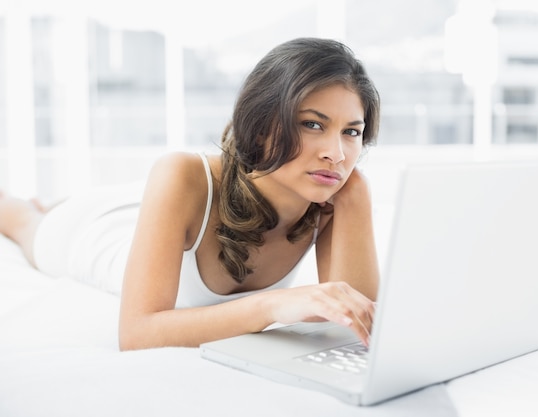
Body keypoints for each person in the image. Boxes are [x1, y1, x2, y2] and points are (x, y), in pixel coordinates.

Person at [0, 37, 381, 351]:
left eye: (352, 132)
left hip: (164, 210)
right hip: (96, 232)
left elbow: (359, 329)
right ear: (262, 124)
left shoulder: (341, 190)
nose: (336, 153)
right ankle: (45, 207)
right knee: (25, 221)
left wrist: (353, 199)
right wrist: (274, 306)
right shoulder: (181, 171)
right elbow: (137, 334)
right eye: (312, 124)